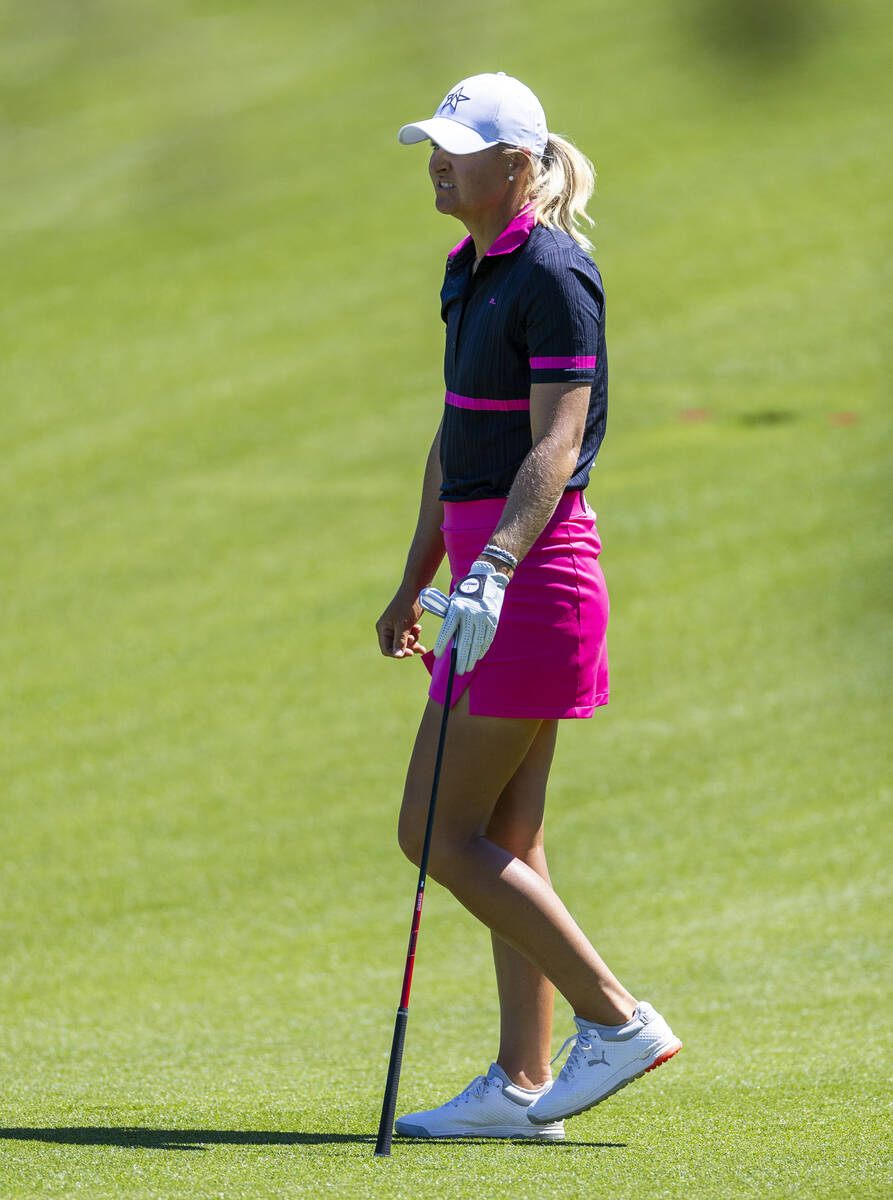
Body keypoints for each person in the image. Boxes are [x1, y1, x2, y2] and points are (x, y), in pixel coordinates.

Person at [375, 72, 680, 1141]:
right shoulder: (468, 268)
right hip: (479, 582)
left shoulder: (554, 271)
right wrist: (417, 573)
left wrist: (491, 567)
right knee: (506, 829)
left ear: (519, 164)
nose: (437, 161)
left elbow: (556, 442)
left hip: (530, 584)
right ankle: (520, 1087)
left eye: (459, 148)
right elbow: (455, 436)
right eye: (432, 144)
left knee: (435, 829)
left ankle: (617, 1020)